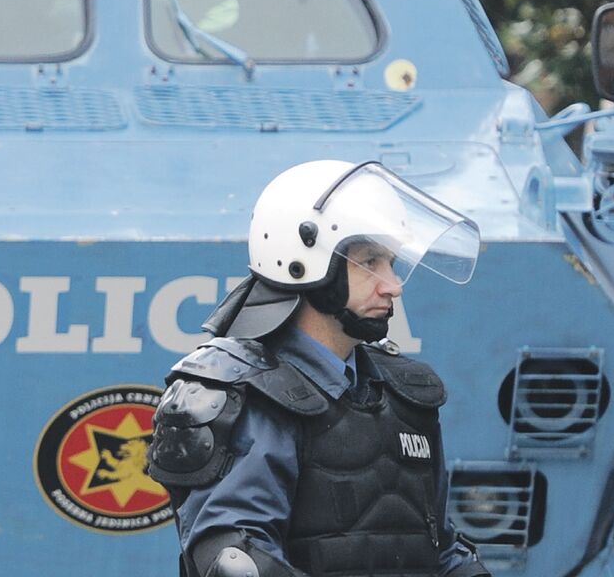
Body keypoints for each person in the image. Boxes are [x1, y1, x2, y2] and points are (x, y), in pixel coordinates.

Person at [148, 159, 490, 577]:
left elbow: (442, 551)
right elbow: (236, 561)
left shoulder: (405, 393)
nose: (393, 285)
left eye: (392, 262)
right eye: (370, 262)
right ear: (303, 263)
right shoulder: (241, 393)